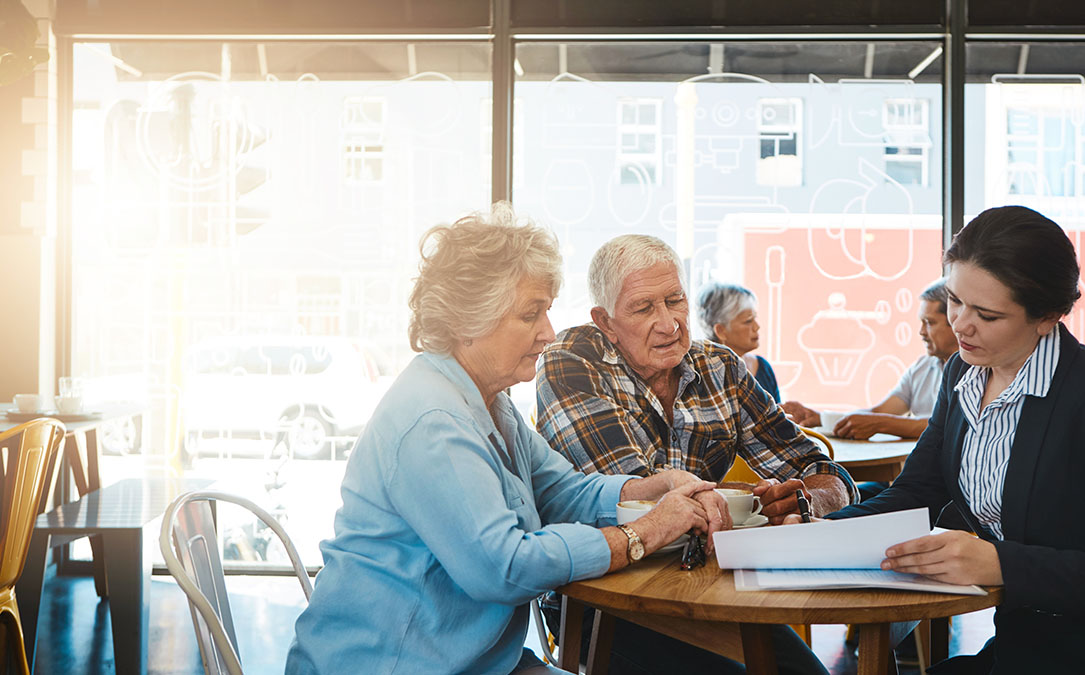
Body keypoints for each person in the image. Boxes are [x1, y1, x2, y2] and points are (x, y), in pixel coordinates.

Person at [285, 205, 722, 675]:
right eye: (530, 314)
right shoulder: (434, 420)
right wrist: (643, 533)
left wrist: (657, 487)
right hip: (391, 663)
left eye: (547, 312)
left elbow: (561, 490)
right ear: (468, 321)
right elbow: (505, 568)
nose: (548, 333)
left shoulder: (488, 400)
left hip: (477, 661)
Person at [790, 206, 1085, 672]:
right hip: (1027, 646)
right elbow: (917, 492)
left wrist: (1000, 563)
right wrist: (816, 535)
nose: (961, 324)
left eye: (986, 314)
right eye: (954, 300)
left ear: (1048, 316)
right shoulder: (962, 373)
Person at [537, 234, 858, 524]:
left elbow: (822, 471)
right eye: (644, 308)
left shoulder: (721, 366)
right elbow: (636, 498)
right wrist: (754, 498)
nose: (669, 324)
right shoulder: (572, 360)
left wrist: (807, 501)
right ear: (606, 322)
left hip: (707, 566)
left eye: (675, 301)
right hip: (607, 575)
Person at [785, 278, 958, 440]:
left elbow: (948, 425)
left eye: (929, 322)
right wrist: (821, 419)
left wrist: (882, 424)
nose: (921, 332)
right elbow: (879, 412)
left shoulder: (974, 372)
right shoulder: (922, 368)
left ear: (955, 322)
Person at [695, 281, 782, 402]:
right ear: (720, 330)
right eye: (748, 321)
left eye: (755, 318)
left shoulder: (763, 367)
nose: (757, 327)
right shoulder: (703, 376)